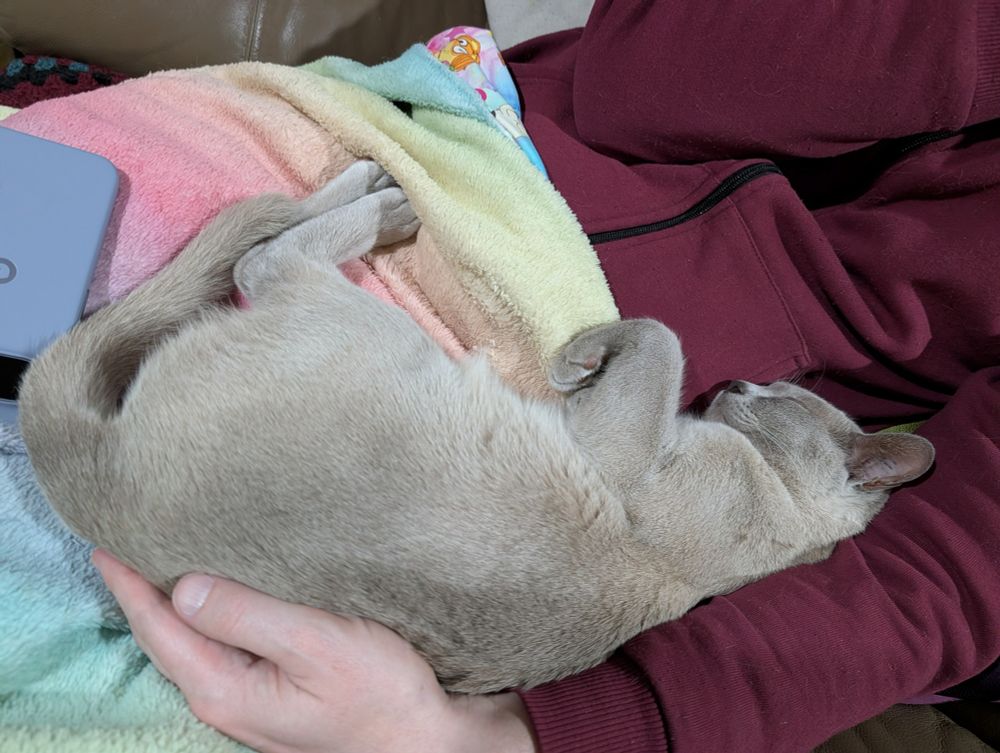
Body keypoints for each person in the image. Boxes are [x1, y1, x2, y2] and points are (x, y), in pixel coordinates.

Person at [98, 1, 1000, 751]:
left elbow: (947, 575)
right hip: (484, 147)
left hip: (452, 437)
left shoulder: (776, 500)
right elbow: (636, 78)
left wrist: (524, 735)